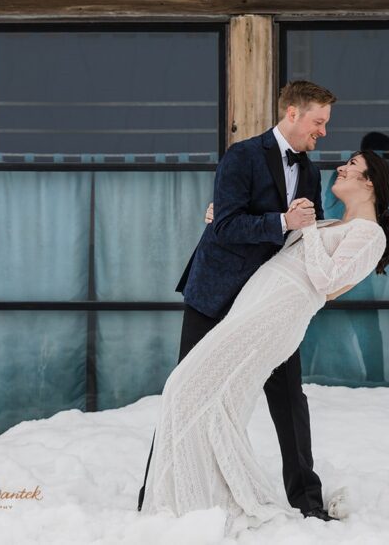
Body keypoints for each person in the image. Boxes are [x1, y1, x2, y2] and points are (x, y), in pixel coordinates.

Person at [140, 150, 389, 536]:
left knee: (185, 386)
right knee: (216, 400)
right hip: (255, 307)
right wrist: (225, 218)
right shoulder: (334, 223)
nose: (342, 168)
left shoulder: (369, 234)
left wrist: (309, 230)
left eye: (352, 165)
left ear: (370, 183)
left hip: (274, 317)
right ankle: (198, 497)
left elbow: (328, 282)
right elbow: (275, 242)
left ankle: (205, 498)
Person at [136, 80, 335, 517]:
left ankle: (307, 502)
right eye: (318, 122)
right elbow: (224, 226)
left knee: (288, 396)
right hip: (216, 293)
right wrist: (281, 220)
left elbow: (304, 233)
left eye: (325, 124)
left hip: (269, 301)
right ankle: (153, 496)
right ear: (292, 114)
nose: (322, 132)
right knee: (185, 390)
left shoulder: (311, 170)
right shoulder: (242, 156)